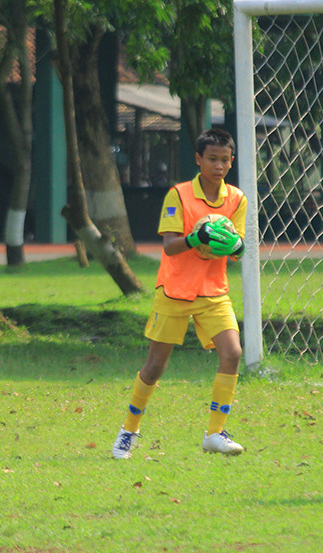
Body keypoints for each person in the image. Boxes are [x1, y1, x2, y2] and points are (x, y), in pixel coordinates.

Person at [112, 128, 247, 459]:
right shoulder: (179, 194)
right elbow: (170, 247)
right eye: (212, 159)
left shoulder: (237, 199)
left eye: (224, 160)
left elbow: (237, 248)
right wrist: (197, 237)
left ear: (231, 162)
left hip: (214, 292)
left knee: (232, 353)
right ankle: (128, 430)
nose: (218, 165)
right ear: (199, 160)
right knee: (155, 366)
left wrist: (236, 245)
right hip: (175, 291)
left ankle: (215, 433)